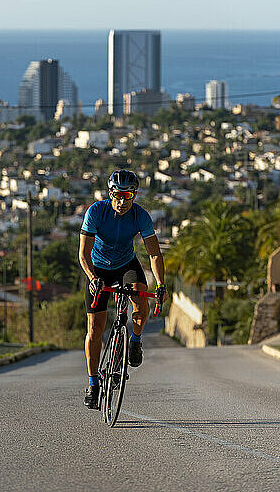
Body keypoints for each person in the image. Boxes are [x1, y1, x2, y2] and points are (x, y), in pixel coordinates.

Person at [79, 169, 167, 409]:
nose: (122, 200)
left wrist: (160, 284)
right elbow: (83, 254)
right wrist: (92, 278)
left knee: (141, 299)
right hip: (97, 269)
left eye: (128, 195)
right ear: (110, 193)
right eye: (117, 194)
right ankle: (93, 382)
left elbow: (154, 253)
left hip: (126, 264)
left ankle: (135, 340)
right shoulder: (96, 211)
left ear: (134, 196)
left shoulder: (141, 216)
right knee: (95, 329)